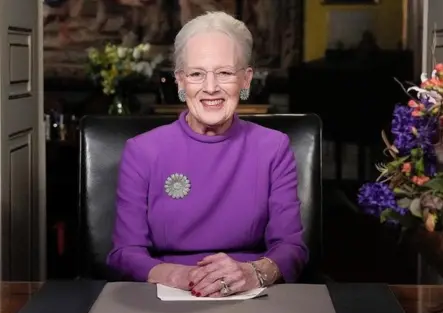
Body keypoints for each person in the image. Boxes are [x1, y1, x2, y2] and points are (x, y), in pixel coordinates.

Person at [106, 11, 308, 297]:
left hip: (250, 297)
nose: (210, 88)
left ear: (246, 79)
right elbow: (125, 253)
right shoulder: (142, 151)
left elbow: (291, 249)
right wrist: (184, 276)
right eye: (196, 74)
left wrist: (253, 273)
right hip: (166, 296)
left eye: (225, 73)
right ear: (180, 81)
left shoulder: (274, 147)